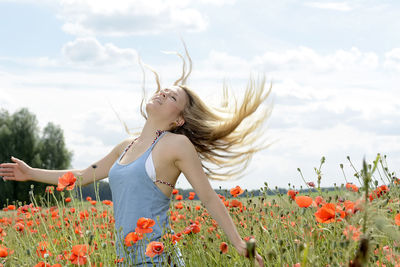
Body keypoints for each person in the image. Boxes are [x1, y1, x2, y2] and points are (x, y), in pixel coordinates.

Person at [0, 49, 270, 266]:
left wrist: (237, 241)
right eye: (164, 89)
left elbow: (208, 197)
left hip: (157, 258)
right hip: (126, 257)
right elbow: (82, 176)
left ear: (179, 119)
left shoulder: (177, 145)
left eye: (173, 96)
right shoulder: (124, 147)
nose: (164, 92)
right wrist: (31, 172)